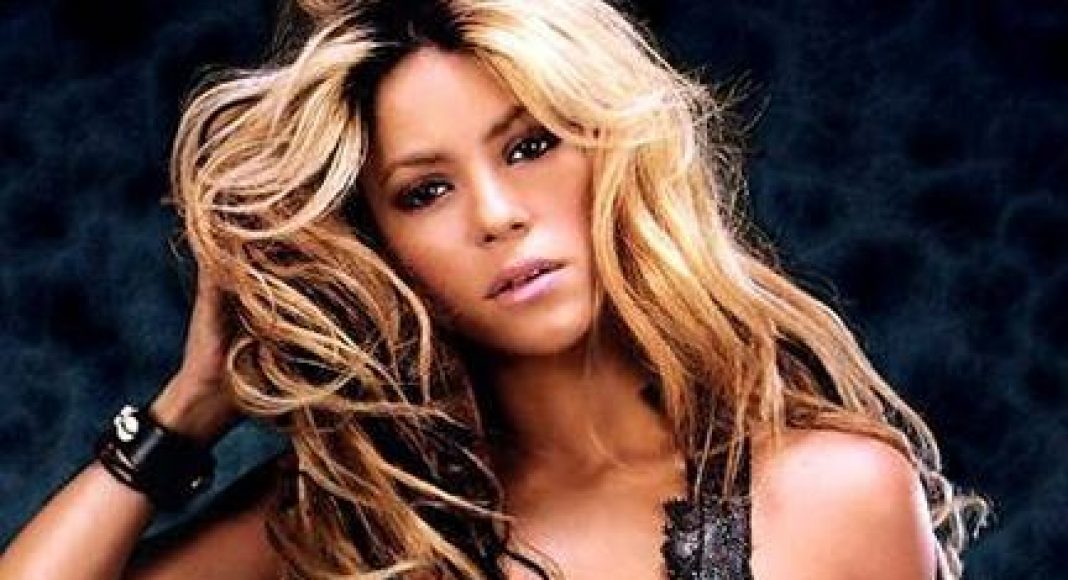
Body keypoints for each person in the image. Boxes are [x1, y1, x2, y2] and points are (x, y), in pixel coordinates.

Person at [0, 0, 989, 578]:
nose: (497, 213)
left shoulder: (833, 491)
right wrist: (186, 413)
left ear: (612, 149)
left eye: (529, 146)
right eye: (424, 190)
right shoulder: (354, 522)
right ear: (380, 244)